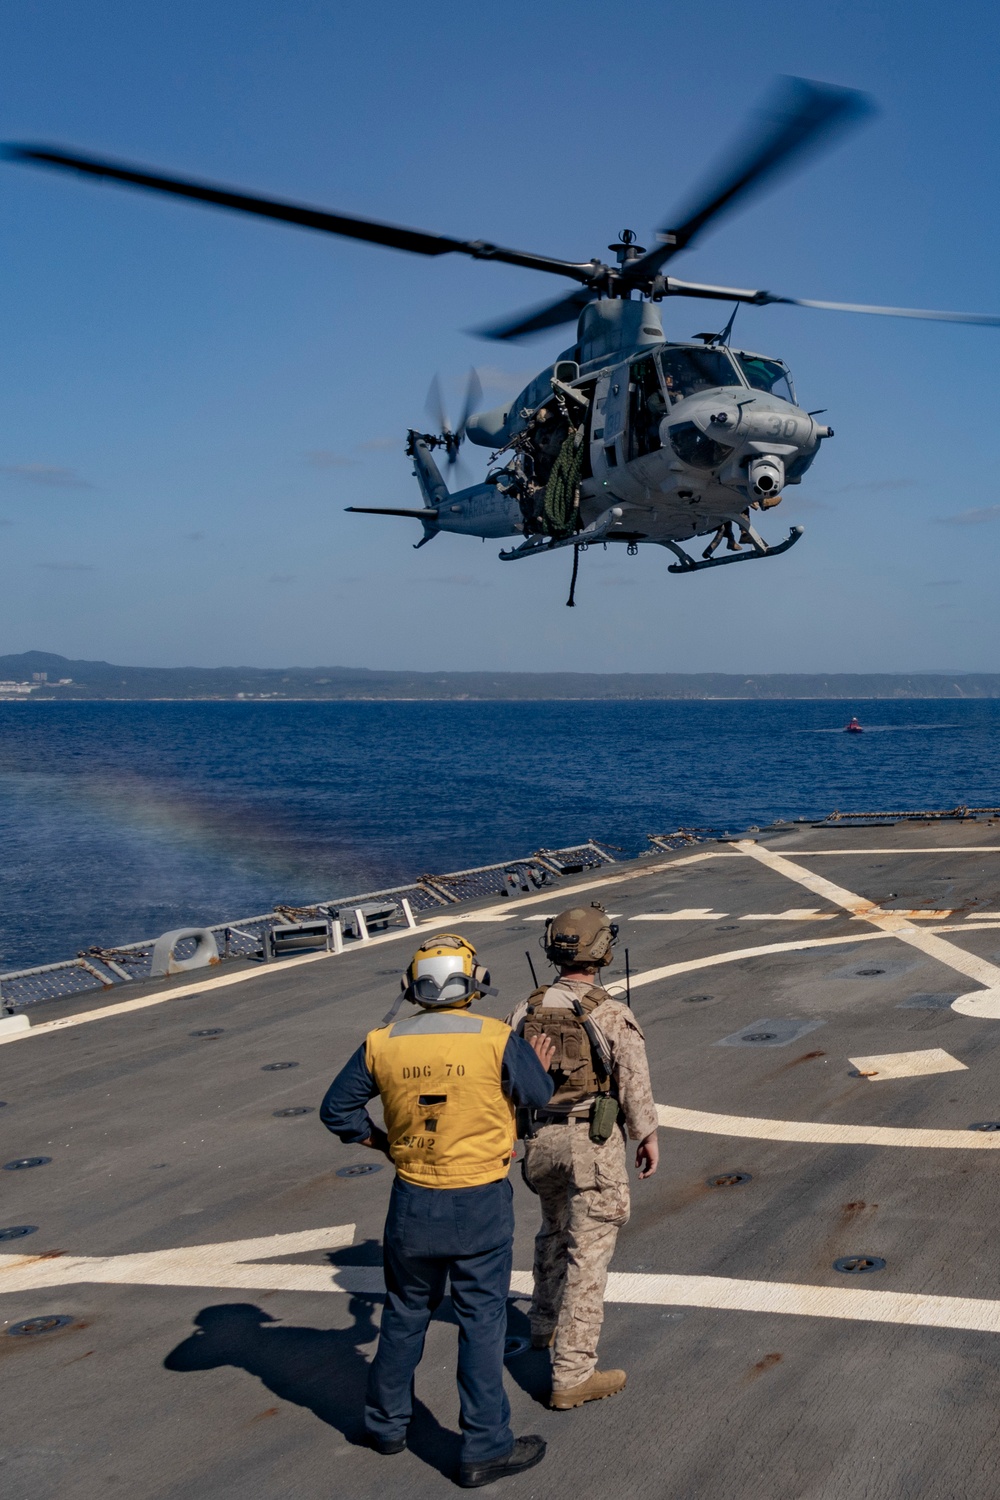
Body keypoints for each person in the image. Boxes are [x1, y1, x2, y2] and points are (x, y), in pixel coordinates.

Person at [320, 932, 556, 1489]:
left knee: (404, 1314)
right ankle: (484, 1448)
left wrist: (380, 1142)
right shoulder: (494, 1037)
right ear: (474, 983)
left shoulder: (382, 1042)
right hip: (479, 1200)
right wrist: (536, 1064)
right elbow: (538, 1097)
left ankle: (385, 1426)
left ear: (412, 985)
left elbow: (337, 1111)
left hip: (414, 1198)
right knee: (482, 1320)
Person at [506, 904, 659, 1411]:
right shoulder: (610, 1013)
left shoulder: (523, 1010)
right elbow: (633, 1084)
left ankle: (543, 1326)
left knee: (552, 1230)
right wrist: (646, 1135)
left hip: (538, 1142)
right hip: (589, 1144)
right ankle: (573, 1373)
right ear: (601, 951)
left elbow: (506, 1080)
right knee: (588, 1253)